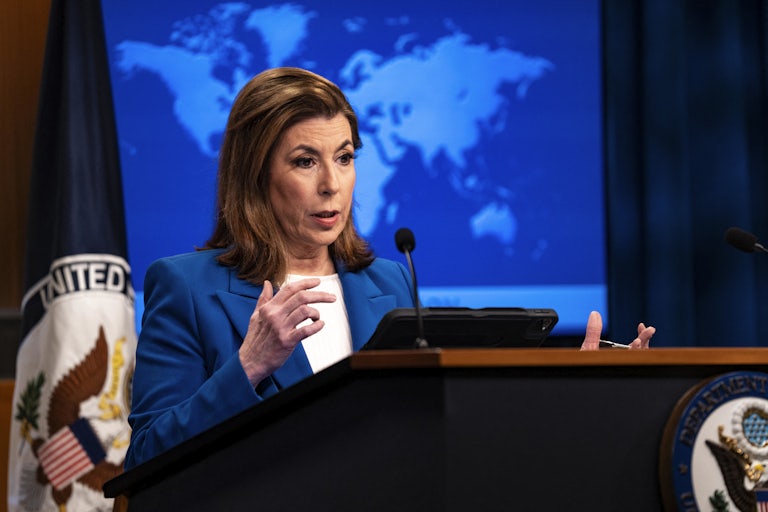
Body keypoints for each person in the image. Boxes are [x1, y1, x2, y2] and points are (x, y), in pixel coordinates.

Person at [124, 67, 655, 469]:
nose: (332, 183)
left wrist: (574, 390)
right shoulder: (186, 287)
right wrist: (251, 364)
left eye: (345, 157)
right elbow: (146, 457)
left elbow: (444, 432)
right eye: (306, 161)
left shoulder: (388, 282)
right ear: (255, 175)